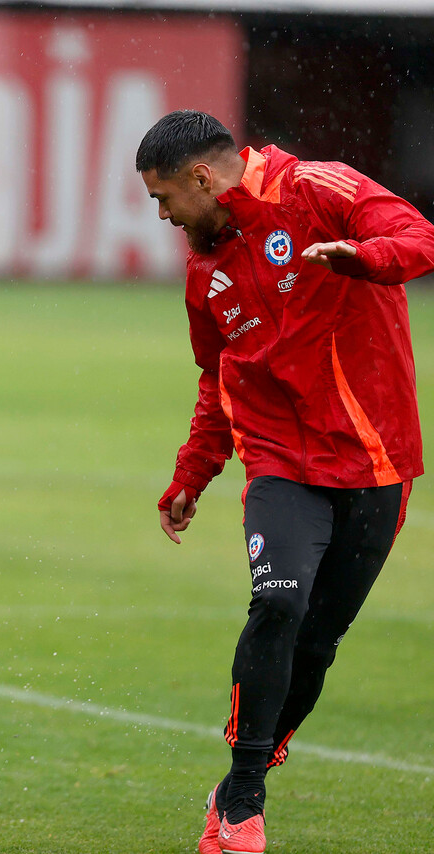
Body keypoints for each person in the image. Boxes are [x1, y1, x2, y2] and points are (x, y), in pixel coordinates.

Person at [137, 110, 433, 854]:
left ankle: (254, 759)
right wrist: (193, 472)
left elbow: (420, 238)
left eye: (164, 199)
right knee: (278, 602)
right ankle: (242, 796)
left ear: (202, 178)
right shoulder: (205, 269)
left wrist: (362, 258)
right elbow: (217, 376)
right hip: (281, 462)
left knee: (320, 640)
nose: (166, 216)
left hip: (375, 462)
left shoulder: (319, 189)